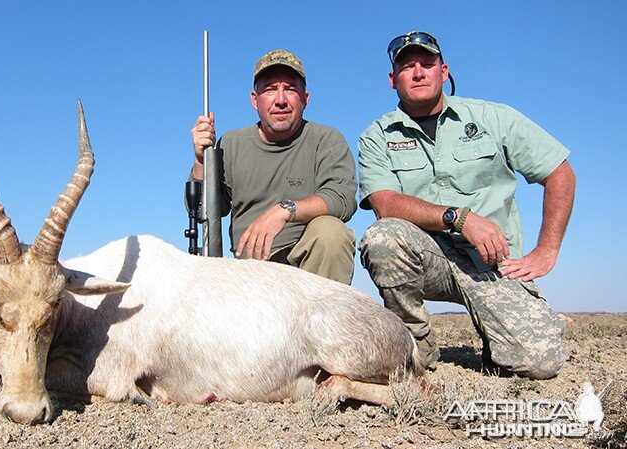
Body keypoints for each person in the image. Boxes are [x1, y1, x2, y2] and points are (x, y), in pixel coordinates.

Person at [357, 31, 576, 379]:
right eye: (407, 66)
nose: (418, 73)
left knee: (540, 363)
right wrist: (459, 218)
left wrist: (546, 249)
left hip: (493, 262)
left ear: (444, 71)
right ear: (392, 80)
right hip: (429, 260)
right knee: (383, 237)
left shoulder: (494, 118)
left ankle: (516, 328)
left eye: (427, 64)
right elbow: (385, 203)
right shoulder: (376, 136)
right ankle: (415, 342)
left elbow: (559, 173)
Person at [190, 50, 357, 284]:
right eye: (269, 89)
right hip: (252, 274)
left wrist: (284, 211)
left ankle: (324, 318)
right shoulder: (230, 143)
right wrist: (200, 160)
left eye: (290, 88)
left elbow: (343, 199)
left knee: (332, 233)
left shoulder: (327, 140)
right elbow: (202, 211)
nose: (280, 100)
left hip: (309, 272)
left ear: (305, 98)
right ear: (254, 99)